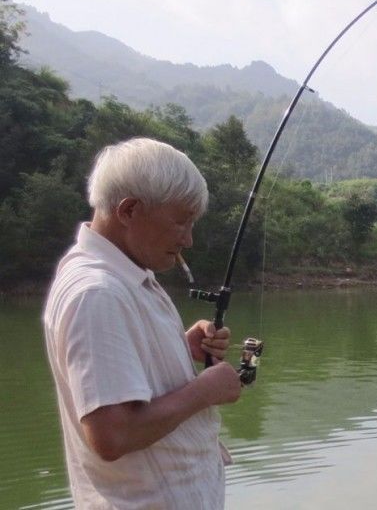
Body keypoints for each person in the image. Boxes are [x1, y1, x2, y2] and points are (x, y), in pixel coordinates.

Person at [43, 138, 242, 509]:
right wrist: (205, 389)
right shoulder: (97, 293)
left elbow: (117, 376)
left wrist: (180, 349)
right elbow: (113, 435)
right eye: (181, 222)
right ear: (130, 210)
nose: (188, 239)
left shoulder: (126, 276)